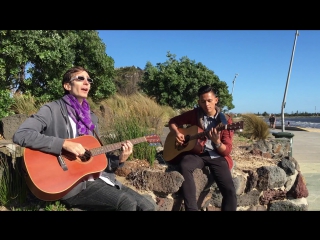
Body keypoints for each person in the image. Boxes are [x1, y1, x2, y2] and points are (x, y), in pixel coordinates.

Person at [13, 66, 156, 211]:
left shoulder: (91, 118)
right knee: (127, 204)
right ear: (67, 85)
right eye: (80, 78)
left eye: (89, 79)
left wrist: (120, 159)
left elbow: (96, 158)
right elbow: (21, 134)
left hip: (99, 179)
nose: (87, 82)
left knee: (149, 207)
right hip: (70, 183)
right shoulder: (52, 109)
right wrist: (63, 144)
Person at [168, 85, 237, 211]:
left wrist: (216, 142)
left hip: (216, 156)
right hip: (197, 153)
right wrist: (177, 133)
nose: (206, 104)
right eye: (203, 101)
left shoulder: (225, 121)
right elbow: (173, 121)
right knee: (185, 165)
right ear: (199, 102)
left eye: (209, 101)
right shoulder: (195, 114)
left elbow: (226, 150)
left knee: (229, 190)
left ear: (216, 100)